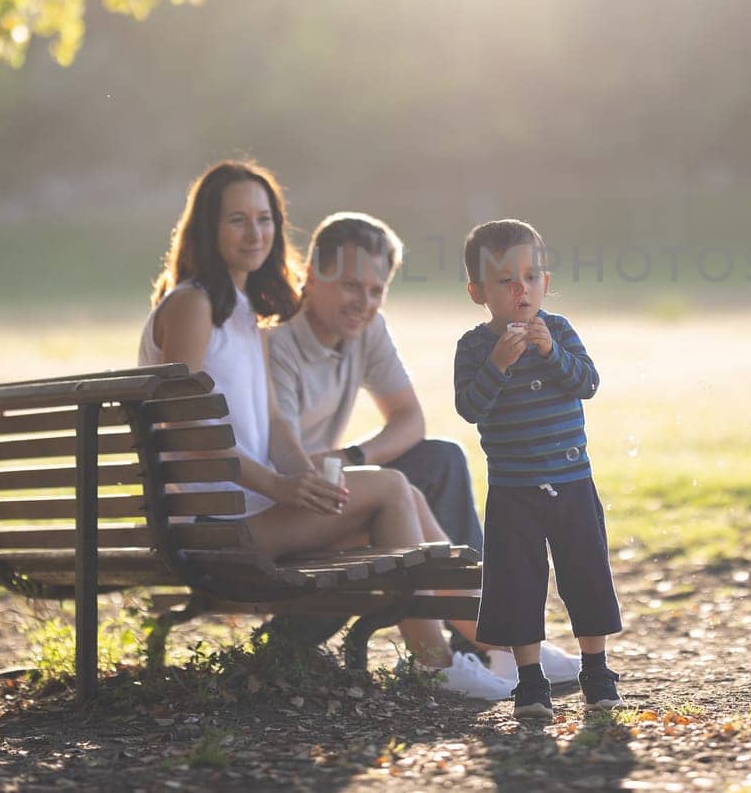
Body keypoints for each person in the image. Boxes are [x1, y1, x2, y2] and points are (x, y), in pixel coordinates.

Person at [137, 160, 513, 701]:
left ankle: (494, 644)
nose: (255, 233)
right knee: (389, 488)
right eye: (237, 219)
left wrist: (306, 479)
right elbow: (180, 431)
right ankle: (444, 658)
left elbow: (272, 425)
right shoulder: (194, 305)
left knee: (398, 489)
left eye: (265, 219)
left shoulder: (244, 314)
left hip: (243, 512)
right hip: (209, 525)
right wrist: (278, 486)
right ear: (208, 228)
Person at [267, 211, 581, 683]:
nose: (365, 302)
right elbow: (284, 458)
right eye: (352, 286)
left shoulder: (366, 330)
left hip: (333, 478)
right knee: (397, 490)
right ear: (311, 276)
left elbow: (409, 419)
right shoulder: (278, 347)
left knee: (441, 459)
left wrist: (352, 458)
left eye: (377, 290)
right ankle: (492, 641)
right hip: (294, 498)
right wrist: (343, 470)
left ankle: (486, 636)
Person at [454, 218, 626, 721]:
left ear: (545, 283)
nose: (520, 289)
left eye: (530, 277)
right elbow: (470, 407)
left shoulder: (561, 331)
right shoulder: (473, 347)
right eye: (505, 281)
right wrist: (498, 367)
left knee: (585, 574)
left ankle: (597, 671)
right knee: (517, 584)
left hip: (571, 480)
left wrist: (551, 353)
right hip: (513, 489)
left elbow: (588, 383)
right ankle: (530, 682)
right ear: (478, 292)